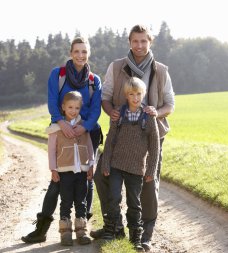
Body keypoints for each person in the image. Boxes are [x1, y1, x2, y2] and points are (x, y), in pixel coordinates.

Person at [92, 24, 175, 252]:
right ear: (130, 42)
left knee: (148, 186)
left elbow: (170, 104)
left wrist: (157, 112)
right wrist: (112, 112)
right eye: (135, 41)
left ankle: (144, 235)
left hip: (150, 137)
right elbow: (106, 97)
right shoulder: (116, 67)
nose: (139, 46)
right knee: (102, 176)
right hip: (119, 136)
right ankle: (115, 226)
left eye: (143, 41)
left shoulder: (161, 70)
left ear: (150, 42)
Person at [21, 37, 102, 244]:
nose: (80, 55)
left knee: (86, 182)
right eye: (77, 51)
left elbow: (94, 110)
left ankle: (82, 226)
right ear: (70, 52)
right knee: (57, 183)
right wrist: (61, 122)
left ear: (88, 54)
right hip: (62, 131)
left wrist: (84, 126)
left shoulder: (94, 80)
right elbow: (51, 101)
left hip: (87, 131)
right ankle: (42, 229)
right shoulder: (58, 75)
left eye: (84, 51)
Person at [101, 77, 160, 251]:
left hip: (137, 168)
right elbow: (110, 140)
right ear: (126, 95)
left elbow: (154, 145)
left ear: (144, 94)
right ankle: (110, 230)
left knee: (134, 202)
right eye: (131, 94)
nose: (135, 98)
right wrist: (106, 164)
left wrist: (151, 169)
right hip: (116, 166)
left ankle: (135, 236)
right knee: (114, 198)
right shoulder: (118, 115)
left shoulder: (148, 117)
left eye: (138, 94)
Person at [46, 91, 93, 246]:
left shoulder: (84, 126)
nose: (74, 111)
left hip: (82, 171)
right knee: (66, 201)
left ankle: (81, 232)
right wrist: (54, 169)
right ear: (63, 107)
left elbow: (89, 146)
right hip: (64, 171)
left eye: (77, 108)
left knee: (81, 201)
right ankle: (65, 233)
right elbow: (52, 150)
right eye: (70, 107)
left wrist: (91, 165)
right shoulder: (56, 129)